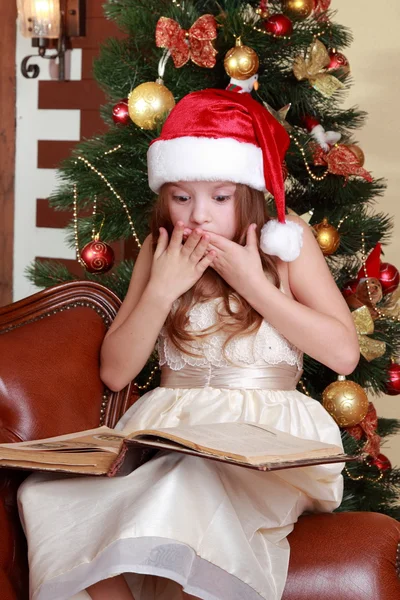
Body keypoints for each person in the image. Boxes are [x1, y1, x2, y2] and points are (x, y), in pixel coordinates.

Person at [18, 89, 360, 600]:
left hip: (264, 442)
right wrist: (160, 289)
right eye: (181, 198)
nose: (198, 216)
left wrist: (254, 285)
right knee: (44, 494)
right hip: (171, 438)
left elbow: (343, 354)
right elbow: (116, 372)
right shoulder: (161, 251)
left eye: (219, 198)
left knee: (188, 488)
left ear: (246, 193)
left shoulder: (285, 245)